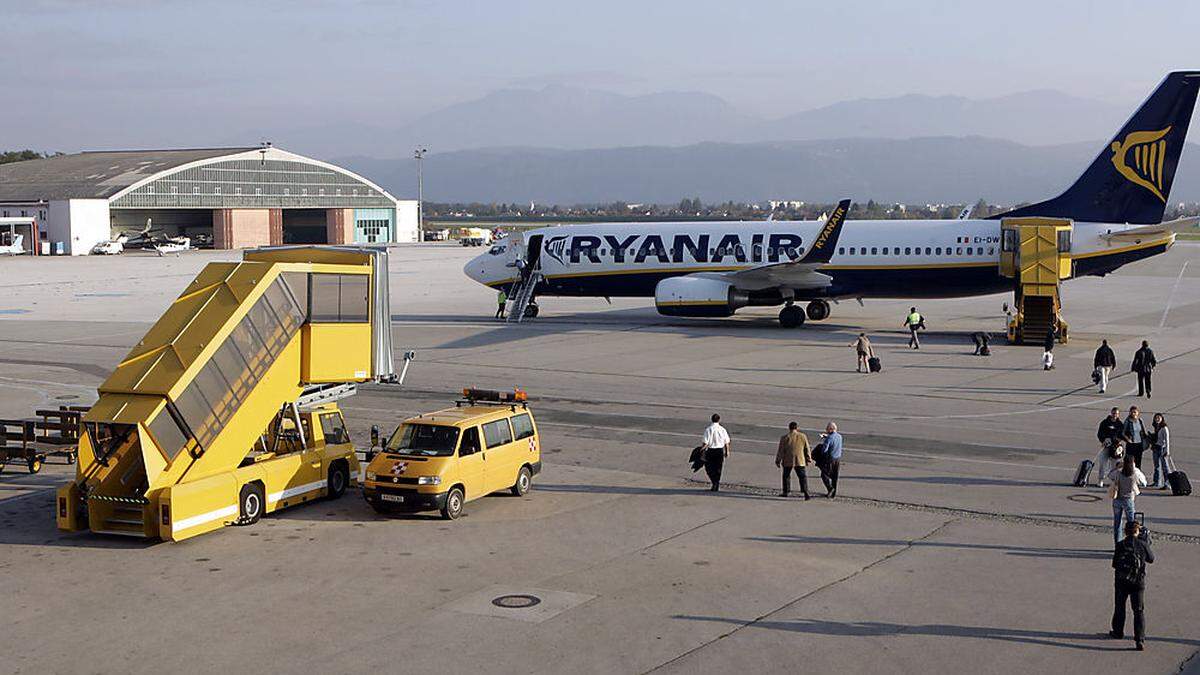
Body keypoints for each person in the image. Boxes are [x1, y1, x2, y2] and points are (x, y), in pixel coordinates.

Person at [1110, 519, 1154, 650]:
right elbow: (1151, 559)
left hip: (1122, 580)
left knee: (1120, 606)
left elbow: (1114, 564)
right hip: (1138, 582)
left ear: (1125, 532)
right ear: (1137, 531)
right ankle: (1139, 639)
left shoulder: (1120, 545)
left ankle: (1118, 631)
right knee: (1138, 610)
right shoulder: (1142, 544)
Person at [1107, 454, 1147, 545]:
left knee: (1117, 523)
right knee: (1131, 524)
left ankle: (1118, 544)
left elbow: (1110, 475)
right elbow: (1144, 482)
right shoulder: (1135, 473)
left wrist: (1117, 467)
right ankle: (1131, 543)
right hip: (1128, 500)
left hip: (1117, 499)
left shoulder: (1118, 472)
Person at [775, 422, 812, 499]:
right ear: (797, 428)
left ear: (789, 428)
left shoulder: (785, 437)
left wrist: (778, 461)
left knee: (786, 476)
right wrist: (808, 458)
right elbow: (807, 448)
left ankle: (786, 491)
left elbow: (781, 450)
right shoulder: (803, 436)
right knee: (802, 477)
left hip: (788, 460)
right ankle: (806, 492)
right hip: (800, 460)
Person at [1094, 407, 1126, 488]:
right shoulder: (1105, 423)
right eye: (1114, 413)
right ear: (1111, 413)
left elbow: (1121, 435)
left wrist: (1118, 441)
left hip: (1115, 448)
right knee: (1102, 464)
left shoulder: (1120, 424)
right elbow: (1099, 434)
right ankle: (1100, 480)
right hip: (1106, 447)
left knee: (1115, 466)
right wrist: (1104, 440)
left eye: (1116, 414)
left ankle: (1114, 481)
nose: (1115, 415)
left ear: (1118, 415)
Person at [699, 413, 730, 492]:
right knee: (718, 468)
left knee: (709, 468)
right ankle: (716, 483)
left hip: (711, 451)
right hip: (719, 451)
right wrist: (727, 451)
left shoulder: (708, 429)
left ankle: (714, 483)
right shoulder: (722, 429)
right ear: (719, 420)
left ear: (711, 419)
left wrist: (701, 451)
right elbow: (726, 442)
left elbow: (705, 443)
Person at [819, 421, 843, 498]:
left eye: (827, 429)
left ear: (830, 429)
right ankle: (833, 493)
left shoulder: (829, 438)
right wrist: (826, 436)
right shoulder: (839, 436)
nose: (826, 430)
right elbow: (833, 439)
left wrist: (825, 440)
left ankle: (830, 488)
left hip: (830, 459)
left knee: (824, 475)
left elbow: (824, 450)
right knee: (835, 476)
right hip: (838, 459)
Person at [1150, 413, 1170, 490]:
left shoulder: (1164, 428)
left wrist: (1167, 451)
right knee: (1156, 466)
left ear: (1162, 419)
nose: (1157, 419)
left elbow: (1167, 440)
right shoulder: (1156, 427)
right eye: (1156, 418)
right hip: (1156, 447)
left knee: (1165, 467)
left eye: (1159, 418)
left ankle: (1167, 483)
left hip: (1162, 448)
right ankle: (1156, 482)